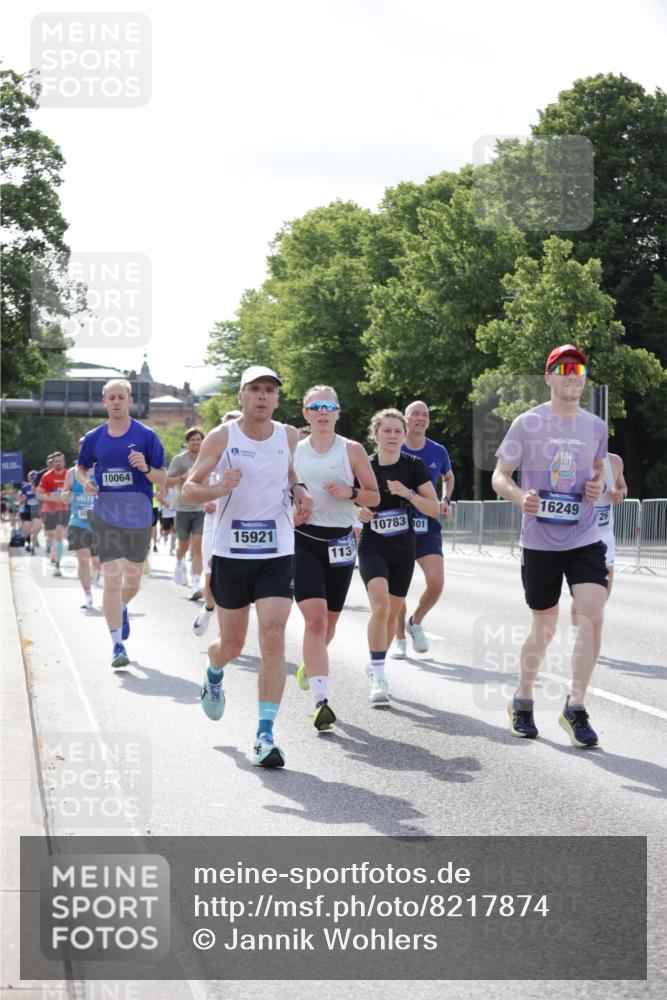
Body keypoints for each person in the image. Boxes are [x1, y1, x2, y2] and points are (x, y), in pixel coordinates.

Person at [182, 365, 313, 768]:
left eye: (269, 390)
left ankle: (265, 736)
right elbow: (189, 490)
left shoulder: (289, 435)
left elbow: (292, 475)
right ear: (241, 396)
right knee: (234, 645)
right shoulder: (224, 436)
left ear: (276, 399)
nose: (262, 396)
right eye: (254, 389)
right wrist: (218, 488)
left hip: (276, 551)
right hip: (231, 554)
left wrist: (301, 492)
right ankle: (214, 669)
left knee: (273, 637)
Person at [492, 345, 608, 748]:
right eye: (564, 368)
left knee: (592, 615)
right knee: (544, 627)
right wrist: (518, 496)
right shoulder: (528, 423)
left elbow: (597, 475)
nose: (572, 374)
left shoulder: (596, 426)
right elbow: (500, 475)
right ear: (549, 377)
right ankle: (522, 700)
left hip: (584, 536)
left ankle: (575, 708)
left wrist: (597, 487)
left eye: (578, 368)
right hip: (540, 540)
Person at [293, 386, 379, 730]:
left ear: (338, 412)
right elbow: (280, 491)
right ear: (306, 413)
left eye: (330, 406)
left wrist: (351, 493)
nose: (323, 411)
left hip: (341, 543)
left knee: (328, 624)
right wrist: (292, 511)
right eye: (316, 406)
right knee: (314, 621)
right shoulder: (293, 451)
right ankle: (321, 701)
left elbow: (374, 497)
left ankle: (310, 664)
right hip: (303, 540)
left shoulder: (352, 450)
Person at [77, 379, 166, 669]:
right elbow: (81, 468)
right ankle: (117, 644)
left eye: (121, 397)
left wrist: (145, 467)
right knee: (112, 577)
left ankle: (122, 607)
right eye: (111, 397)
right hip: (106, 516)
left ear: (130, 401)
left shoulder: (147, 436)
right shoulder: (94, 438)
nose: (116, 401)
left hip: (139, 516)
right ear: (104, 402)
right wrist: (86, 482)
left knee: (133, 580)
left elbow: (161, 477)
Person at [356, 409, 439, 705]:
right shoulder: (363, 465)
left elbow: (434, 508)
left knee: (392, 614)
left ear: (404, 436)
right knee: (379, 607)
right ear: (376, 433)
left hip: (403, 547)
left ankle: (375, 660)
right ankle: (379, 675)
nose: (392, 436)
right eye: (386, 431)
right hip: (372, 545)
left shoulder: (414, 466)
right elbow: (348, 502)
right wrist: (358, 511)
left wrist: (408, 494)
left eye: (397, 432)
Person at [393, 399, 455, 657]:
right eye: (415, 414)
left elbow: (448, 477)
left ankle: (415, 622)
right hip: (397, 525)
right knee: (398, 587)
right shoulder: (395, 446)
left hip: (427, 524)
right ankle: (399, 638)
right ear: (406, 419)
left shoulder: (437, 450)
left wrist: (445, 499)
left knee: (437, 583)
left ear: (428, 421)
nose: (420, 418)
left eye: (425, 415)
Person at [192, 409, 242, 638]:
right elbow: (195, 485)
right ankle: (209, 607)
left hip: (242, 525)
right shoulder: (212, 451)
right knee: (211, 576)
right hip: (215, 522)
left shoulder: (253, 452)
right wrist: (207, 498)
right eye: (227, 425)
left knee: (235, 580)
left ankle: (226, 633)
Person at [570, 451, 627, 638]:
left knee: (605, 588)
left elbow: (623, 486)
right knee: (583, 592)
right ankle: (577, 631)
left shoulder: (615, 461)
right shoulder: (576, 457)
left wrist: (621, 494)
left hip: (605, 534)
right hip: (582, 535)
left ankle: (587, 625)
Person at [165, 426, 206, 599]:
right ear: (187, 442)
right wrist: (182, 477)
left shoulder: (208, 458)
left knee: (198, 546)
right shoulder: (179, 460)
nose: (196, 442)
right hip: (182, 508)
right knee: (183, 545)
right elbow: (166, 482)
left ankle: (196, 584)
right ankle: (179, 561)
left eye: (198, 439)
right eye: (192, 440)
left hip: (202, 508)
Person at [62, 438, 101, 608]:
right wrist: (65, 496)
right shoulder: (71, 473)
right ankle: (88, 596)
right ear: (78, 449)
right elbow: (65, 492)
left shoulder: (101, 470)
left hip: (100, 523)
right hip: (78, 522)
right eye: (82, 446)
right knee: (83, 558)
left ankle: (96, 575)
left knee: (97, 561)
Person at [35, 452, 69, 576]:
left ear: (64, 462)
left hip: (63, 509)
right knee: (51, 535)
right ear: (53, 463)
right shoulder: (46, 476)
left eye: (61, 460)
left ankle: (57, 565)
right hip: (49, 510)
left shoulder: (68, 475)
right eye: (56, 461)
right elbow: (39, 494)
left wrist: (68, 497)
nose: (59, 463)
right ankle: (49, 545)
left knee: (59, 535)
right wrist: (53, 498)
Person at [19, 472, 42, 553]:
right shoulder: (25, 487)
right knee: (28, 530)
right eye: (31, 477)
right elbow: (20, 499)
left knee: (35, 530)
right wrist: (22, 499)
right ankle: (28, 543)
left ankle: (33, 548)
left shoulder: (41, 486)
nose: (33, 479)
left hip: (37, 511)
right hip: (27, 511)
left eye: (34, 477)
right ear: (28, 478)